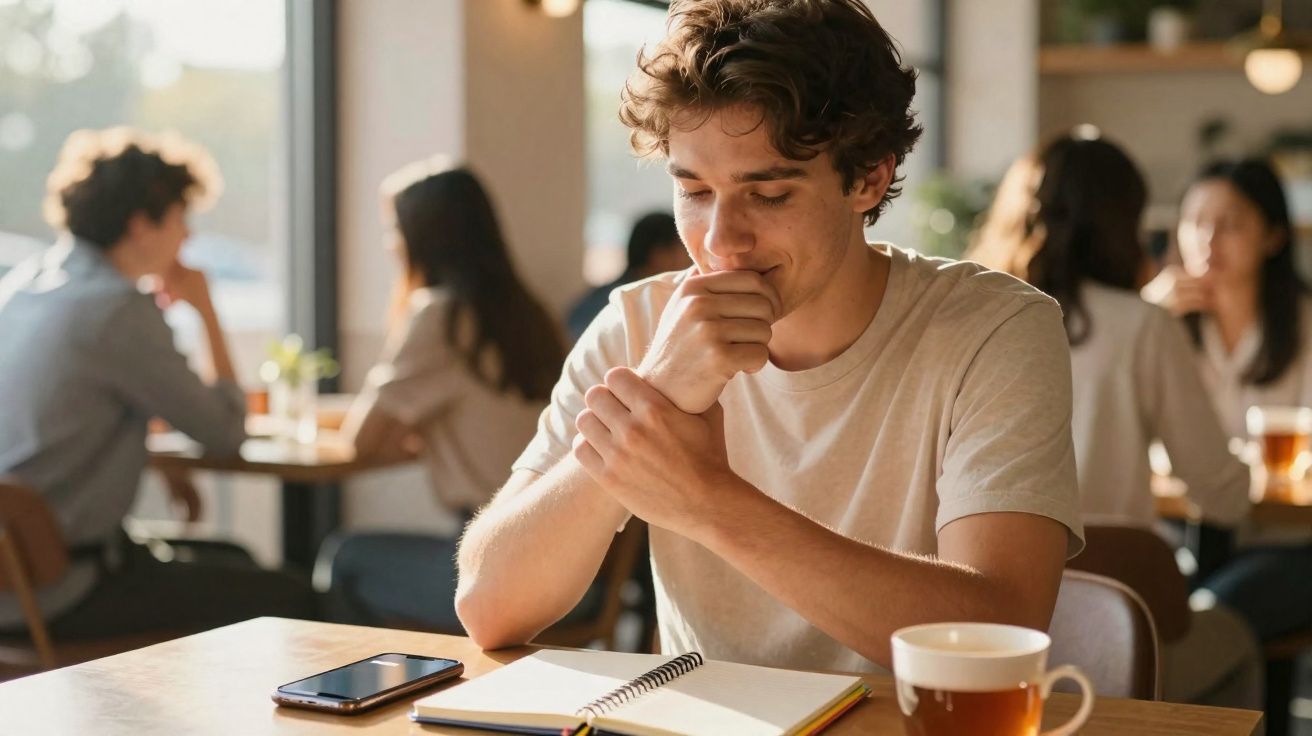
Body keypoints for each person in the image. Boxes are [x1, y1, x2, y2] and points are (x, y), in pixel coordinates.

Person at [456, 0, 1083, 674]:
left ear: (869, 176)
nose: (721, 241)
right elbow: (490, 606)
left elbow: (999, 629)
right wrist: (659, 399)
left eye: (770, 193)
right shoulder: (639, 326)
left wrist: (706, 501)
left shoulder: (994, 330)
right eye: (694, 190)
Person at [970, 132, 1260, 709]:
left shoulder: (972, 318)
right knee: (1239, 640)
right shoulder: (1142, 325)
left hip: (984, 628)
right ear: (1122, 222)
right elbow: (1223, 497)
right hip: (1113, 619)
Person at [0, 127, 316, 639]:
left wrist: (151, 457)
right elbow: (227, 432)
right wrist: (207, 309)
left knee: (234, 559)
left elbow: (62, 415)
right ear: (140, 225)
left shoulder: (24, 288)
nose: (188, 238)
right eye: (180, 219)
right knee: (295, 597)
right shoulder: (117, 310)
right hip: (58, 590)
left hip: (14, 576)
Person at [316, 160, 572, 631]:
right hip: (571, 570)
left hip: (497, 567)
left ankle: (356, 698)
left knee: (346, 558)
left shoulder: (442, 316)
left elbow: (361, 441)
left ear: (423, 238)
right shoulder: (528, 314)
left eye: (395, 230)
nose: (391, 244)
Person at [567, 212, 689, 342]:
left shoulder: (601, 296)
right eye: (683, 248)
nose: (689, 259)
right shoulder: (621, 304)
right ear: (659, 254)